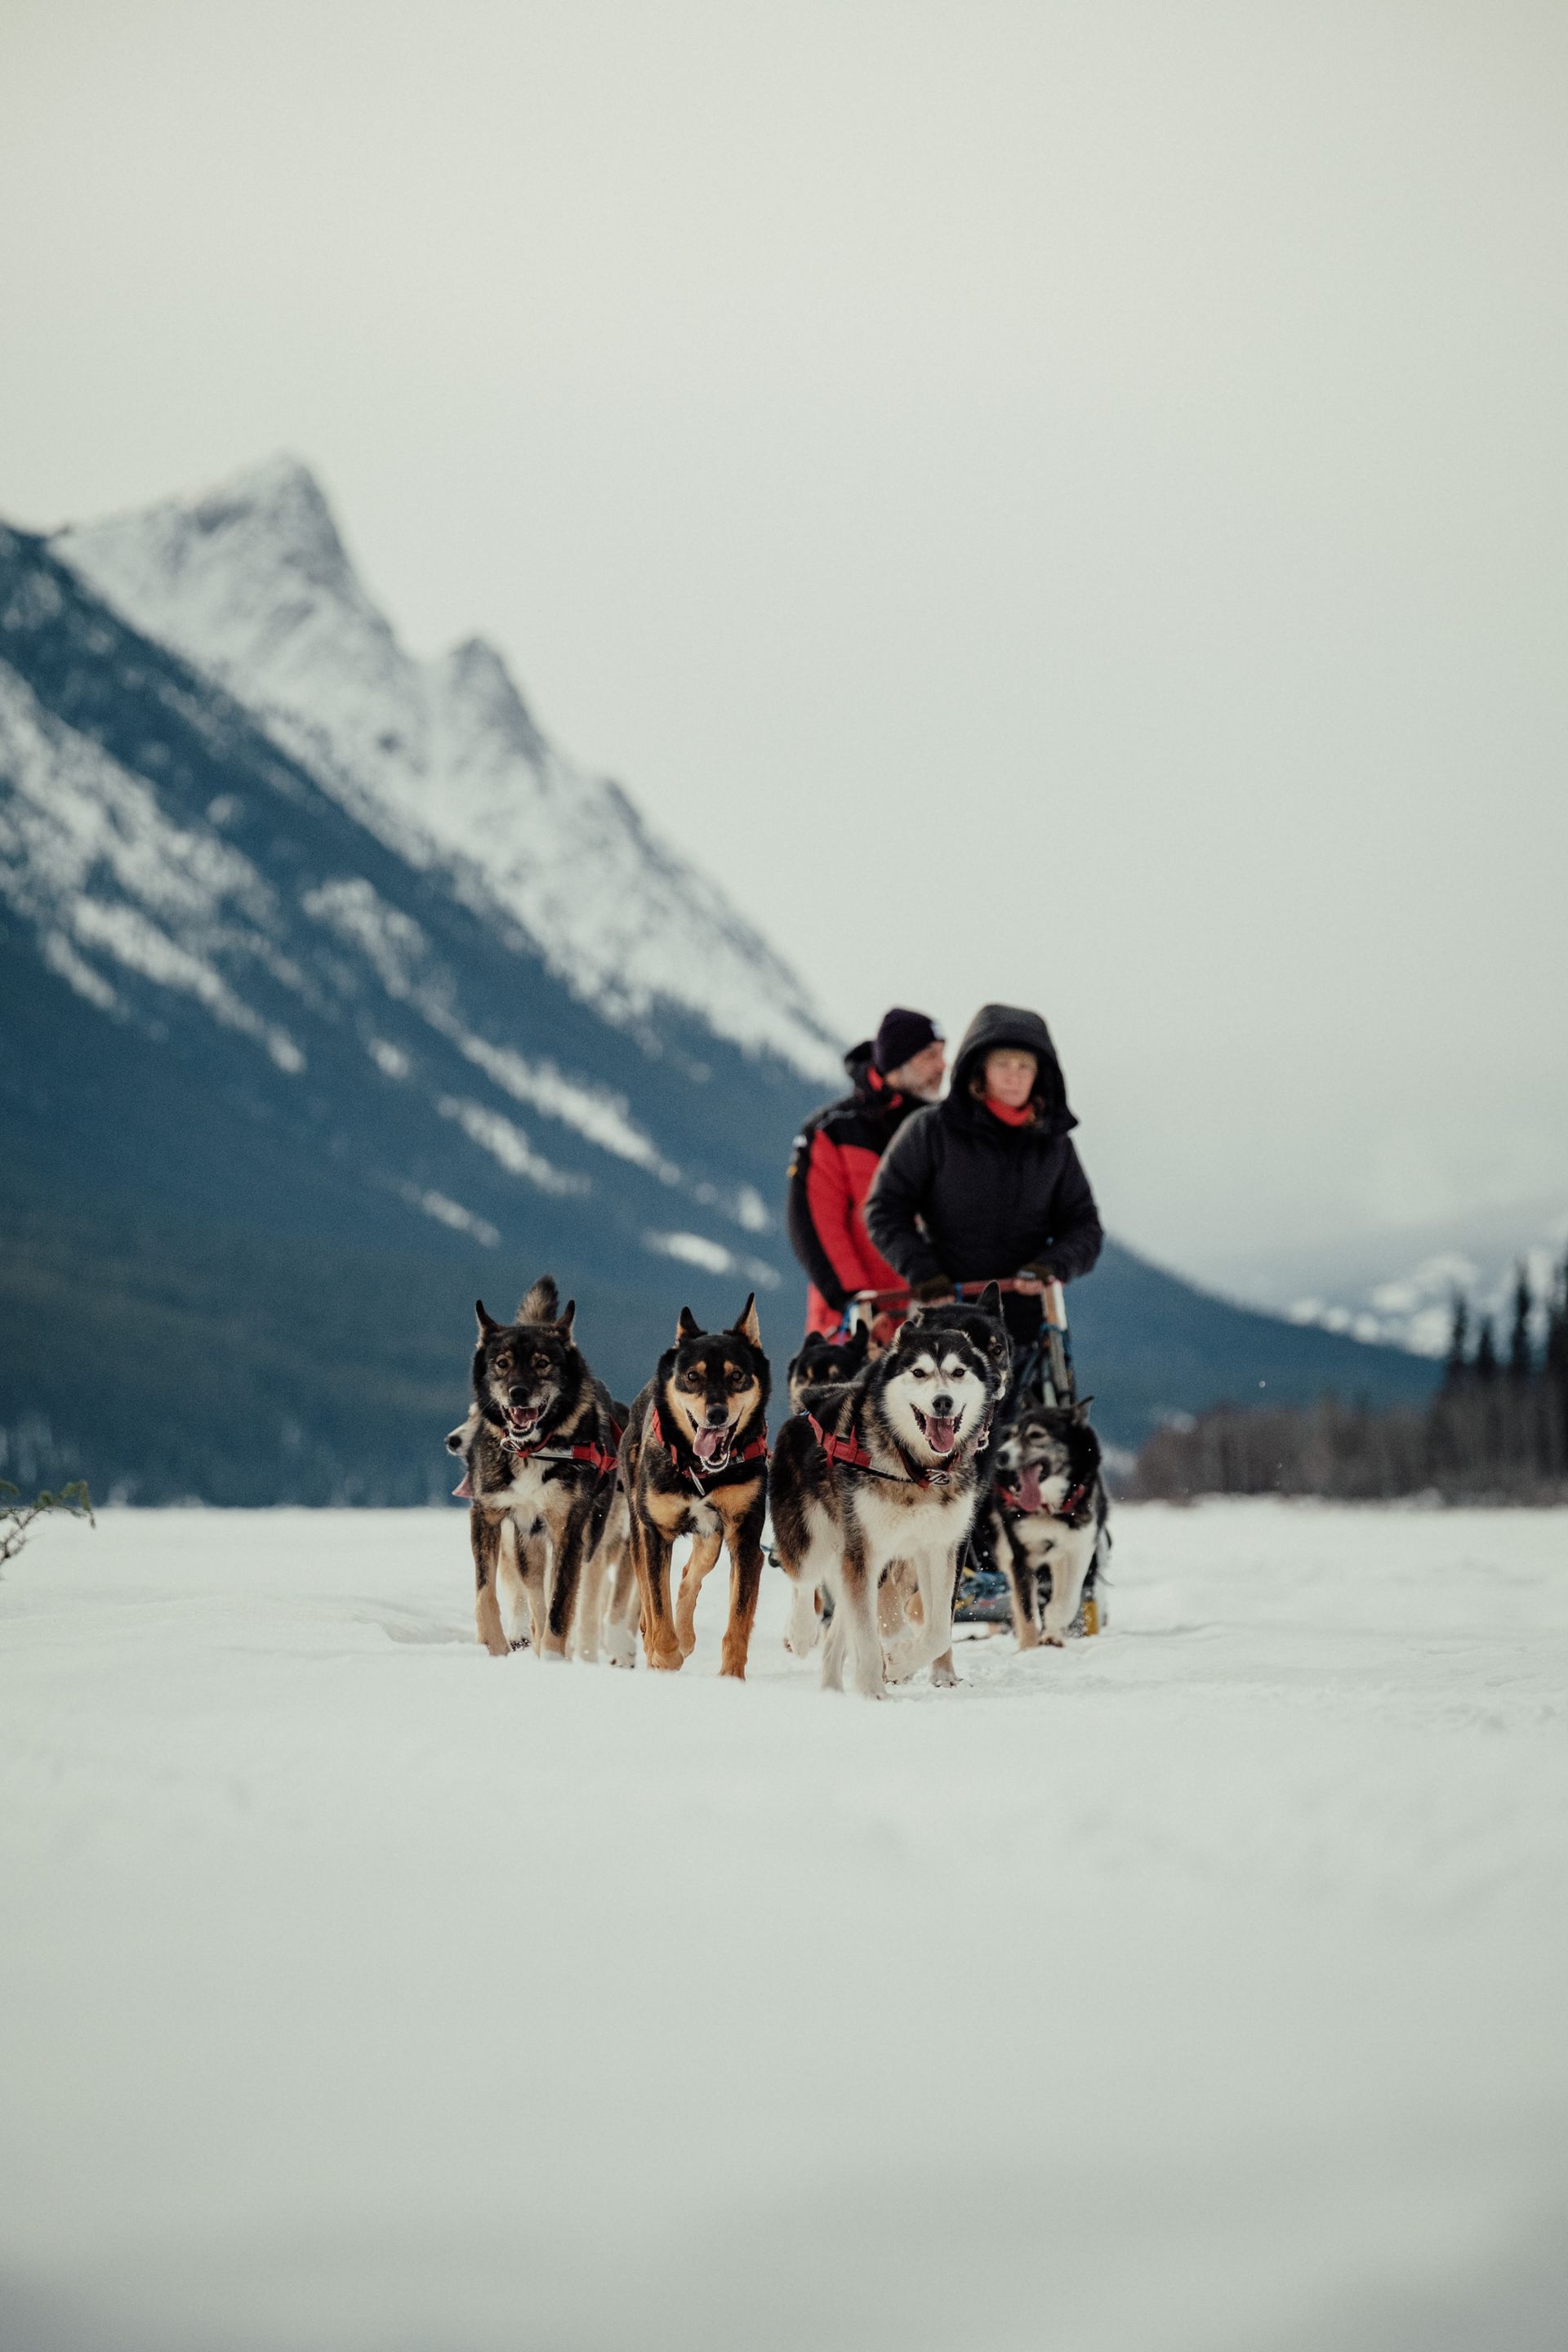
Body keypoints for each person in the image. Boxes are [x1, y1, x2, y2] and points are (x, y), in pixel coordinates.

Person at [864, 1003, 1102, 1349]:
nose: (1014, 1076)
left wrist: (1050, 1267)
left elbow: (1085, 1228)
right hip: (943, 1323)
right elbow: (883, 1209)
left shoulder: (1055, 1146)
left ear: (1041, 1074)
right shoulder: (930, 1131)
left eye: (1025, 1066)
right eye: (1002, 1064)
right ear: (980, 1070)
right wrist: (925, 1274)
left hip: (1029, 1332)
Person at [786, 1008, 947, 1338]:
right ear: (899, 1062)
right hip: (852, 1328)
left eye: (943, 1055)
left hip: (929, 1327)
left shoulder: (944, 1130)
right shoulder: (834, 1131)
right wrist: (857, 1304)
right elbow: (817, 1228)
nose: (943, 1066)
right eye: (930, 1056)